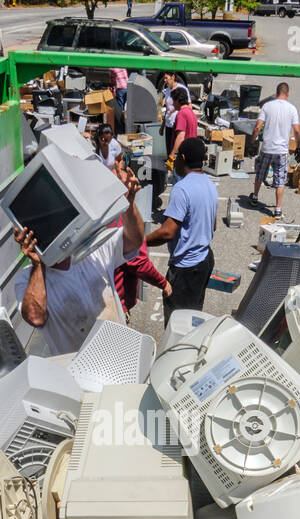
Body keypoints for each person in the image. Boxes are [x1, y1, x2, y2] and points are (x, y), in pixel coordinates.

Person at [12, 165, 146, 355]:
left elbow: (134, 240)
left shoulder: (92, 249)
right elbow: (35, 317)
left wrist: (129, 205)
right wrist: (38, 263)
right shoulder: (27, 280)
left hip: (119, 356)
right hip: (78, 374)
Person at [147, 137, 216, 317]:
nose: (175, 160)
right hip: (204, 260)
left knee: (177, 322)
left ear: (183, 158)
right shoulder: (210, 184)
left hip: (187, 267)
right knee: (193, 314)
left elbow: (168, 232)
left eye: (177, 156)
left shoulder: (182, 188)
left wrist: (141, 241)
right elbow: (213, 224)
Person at [251, 82, 300, 217]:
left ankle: (255, 197)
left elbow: (257, 127)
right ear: (288, 93)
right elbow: (296, 130)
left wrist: (252, 140)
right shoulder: (292, 109)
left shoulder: (267, 106)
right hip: (281, 151)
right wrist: (299, 146)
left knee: (260, 173)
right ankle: (278, 209)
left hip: (267, 147)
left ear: (276, 92)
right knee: (280, 179)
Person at [167, 87, 198, 167]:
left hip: (184, 157)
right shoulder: (191, 112)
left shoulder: (181, 114)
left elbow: (180, 136)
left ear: (177, 100)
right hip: (192, 154)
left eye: (173, 101)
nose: (173, 104)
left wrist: (172, 155)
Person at [161, 72, 190, 154]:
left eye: (166, 78)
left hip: (177, 125)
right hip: (168, 124)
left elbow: (188, 106)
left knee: (175, 150)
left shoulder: (182, 89)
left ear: (173, 77)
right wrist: (163, 125)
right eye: (164, 78)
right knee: (169, 150)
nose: (164, 80)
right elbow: (167, 108)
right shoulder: (167, 90)